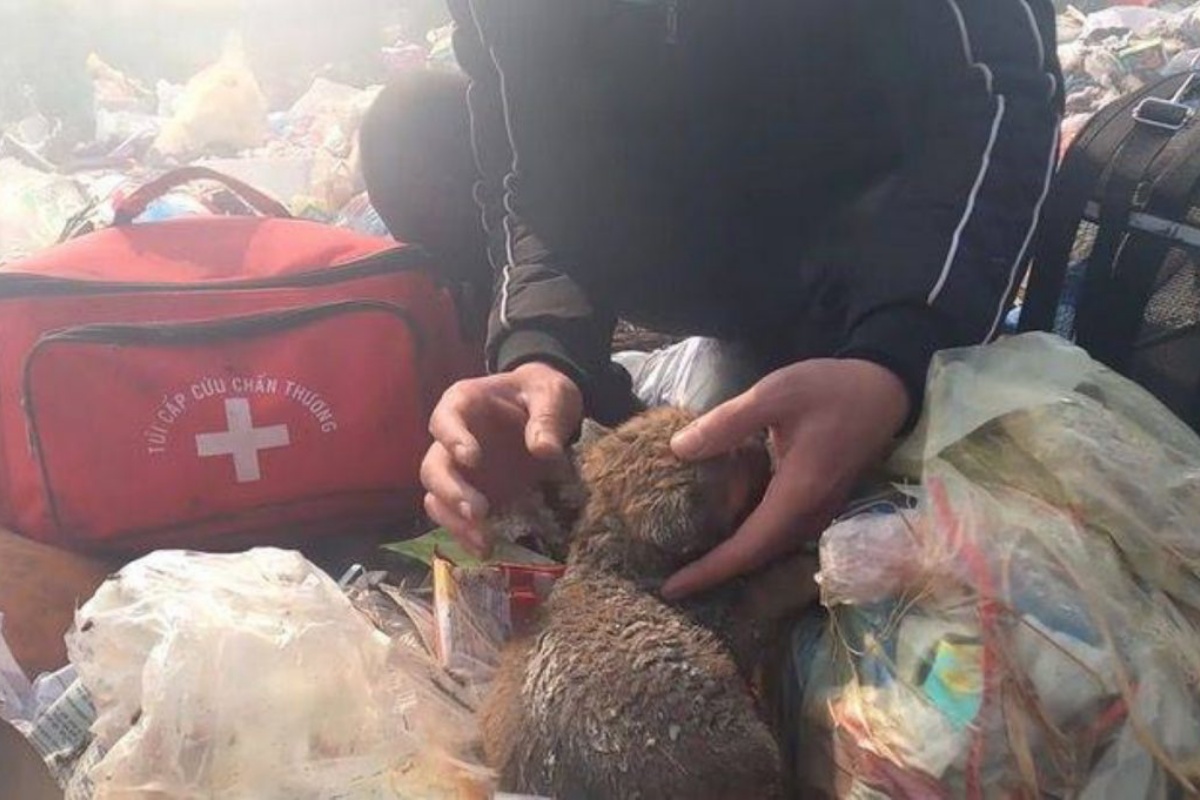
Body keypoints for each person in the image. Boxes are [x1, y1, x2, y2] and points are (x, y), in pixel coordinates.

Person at [361, 1, 1063, 600]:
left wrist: (896, 354)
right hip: (681, 251)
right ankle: (568, 424)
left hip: (856, 242)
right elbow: (524, 172)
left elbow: (997, 92)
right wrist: (537, 348)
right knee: (412, 126)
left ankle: (847, 369)